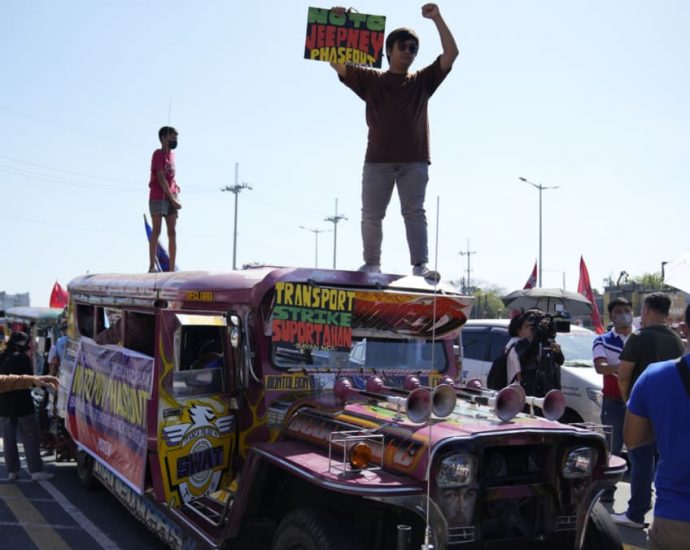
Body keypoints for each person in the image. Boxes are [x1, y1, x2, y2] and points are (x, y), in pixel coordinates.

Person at [330, 4, 458, 276]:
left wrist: (437, 18)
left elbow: (451, 53)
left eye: (414, 49)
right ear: (389, 50)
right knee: (371, 215)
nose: (409, 52)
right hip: (377, 161)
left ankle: (420, 266)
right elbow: (336, 61)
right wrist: (338, 23)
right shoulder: (371, 80)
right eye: (404, 46)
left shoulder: (423, 81)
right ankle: (372, 264)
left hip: (415, 161)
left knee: (414, 212)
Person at [612, 292, 685, 529]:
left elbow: (623, 375)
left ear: (646, 310)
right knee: (661, 462)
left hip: (643, 411)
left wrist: (628, 402)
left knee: (640, 461)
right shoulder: (675, 338)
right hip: (670, 412)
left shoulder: (639, 337)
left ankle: (636, 513)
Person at [592, 297, 634, 502]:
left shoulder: (640, 338)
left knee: (640, 450)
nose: (623, 314)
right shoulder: (602, 340)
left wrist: (617, 367)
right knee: (612, 448)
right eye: (618, 311)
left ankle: (642, 494)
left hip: (638, 402)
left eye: (626, 310)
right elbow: (600, 367)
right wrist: (628, 367)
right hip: (613, 402)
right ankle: (607, 490)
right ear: (612, 316)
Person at [0, 332, 54, 481]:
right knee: (30, 437)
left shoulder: (2, 357)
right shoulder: (23, 358)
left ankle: (12, 471)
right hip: (23, 405)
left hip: (4, 405)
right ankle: (35, 471)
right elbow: (30, 380)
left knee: (8, 439)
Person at [148, 126, 181, 273]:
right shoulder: (158, 154)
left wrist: (176, 188)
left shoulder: (172, 155)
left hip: (172, 196)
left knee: (172, 232)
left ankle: (172, 269)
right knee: (157, 230)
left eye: (176, 137)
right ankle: (152, 266)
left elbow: (170, 176)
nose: (174, 140)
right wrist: (172, 199)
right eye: (172, 137)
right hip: (158, 196)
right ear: (163, 138)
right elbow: (161, 178)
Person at [517, 310, 564, 397]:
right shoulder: (522, 344)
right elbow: (524, 358)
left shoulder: (550, 342)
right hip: (531, 390)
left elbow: (560, 361)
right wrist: (537, 339)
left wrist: (557, 351)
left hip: (550, 389)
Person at [505, 312, 533, 386]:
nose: (530, 329)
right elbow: (519, 374)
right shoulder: (516, 346)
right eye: (526, 327)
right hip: (516, 389)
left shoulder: (511, 343)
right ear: (518, 329)